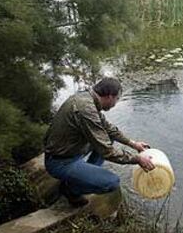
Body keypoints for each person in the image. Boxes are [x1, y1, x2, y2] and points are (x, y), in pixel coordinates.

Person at [44, 77, 155, 207]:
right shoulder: (86, 110)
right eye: (116, 99)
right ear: (109, 96)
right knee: (112, 182)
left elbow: (108, 127)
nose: (115, 104)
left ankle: (82, 177)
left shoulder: (86, 98)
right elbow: (107, 151)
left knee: (108, 136)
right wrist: (137, 159)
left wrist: (133, 143)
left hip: (69, 150)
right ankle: (71, 190)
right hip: (60, 162)